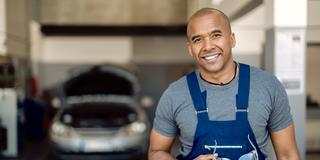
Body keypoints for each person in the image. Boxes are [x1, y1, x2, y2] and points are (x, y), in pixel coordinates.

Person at [148, 8, 300, 160]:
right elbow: (155, 152)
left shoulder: (268, 86)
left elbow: (288, 155)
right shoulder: (174, 94)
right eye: (198, 39)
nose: (208, 46)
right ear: (190, 49)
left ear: (232, 39)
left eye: (216, 35)